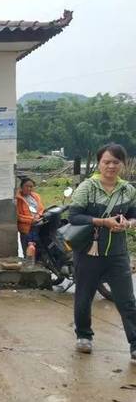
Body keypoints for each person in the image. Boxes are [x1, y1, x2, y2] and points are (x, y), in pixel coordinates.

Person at [68, 143, 136, 359]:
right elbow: (74, 217)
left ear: (122, 165)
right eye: (106, 161)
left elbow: (134, 215)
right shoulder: (87, 187)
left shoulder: (128, 190)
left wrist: (128, 223)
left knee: (126, 300)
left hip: (117, 254)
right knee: (84, 296)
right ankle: (84, 335)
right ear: (99, 163)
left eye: (116, 162)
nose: (111, 166)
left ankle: (134, 343)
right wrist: (102, 221)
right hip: (88, 252)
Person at [16, 177, 45, 255]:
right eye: (26, 186)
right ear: (21, 187)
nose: (29, 188)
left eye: (31, 186)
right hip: (26, 228)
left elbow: (41, 208)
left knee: (38, 247)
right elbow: (18, 216)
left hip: (37, 224)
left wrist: (38, 215)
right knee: (28, 250)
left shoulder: (36, 196)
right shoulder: (18, 199)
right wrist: (31, 219)